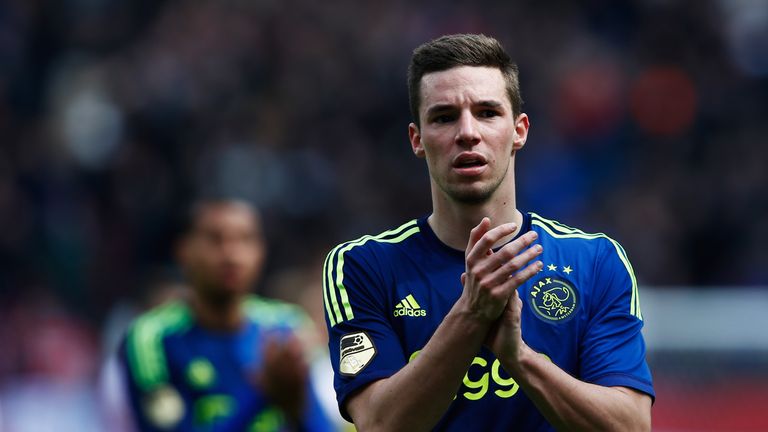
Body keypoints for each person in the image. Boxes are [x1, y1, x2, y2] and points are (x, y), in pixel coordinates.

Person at [323, 34, 654, 431]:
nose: (467, 132)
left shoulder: (595, 261)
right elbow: (379, 424)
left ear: (519, 130)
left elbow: (631, 426)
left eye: (486, 112)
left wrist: (520, 359)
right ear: (417, 139)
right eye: (444, 117)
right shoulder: (361, 266)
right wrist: (471, 315)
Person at [119, 199, 335, 431]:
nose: (232, 255)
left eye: (245, 239)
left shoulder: (285, 327)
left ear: (261, 251)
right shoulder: (150, 339)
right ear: (183, 251)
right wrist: (261, 391)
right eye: (215, 240)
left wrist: (296, 404)